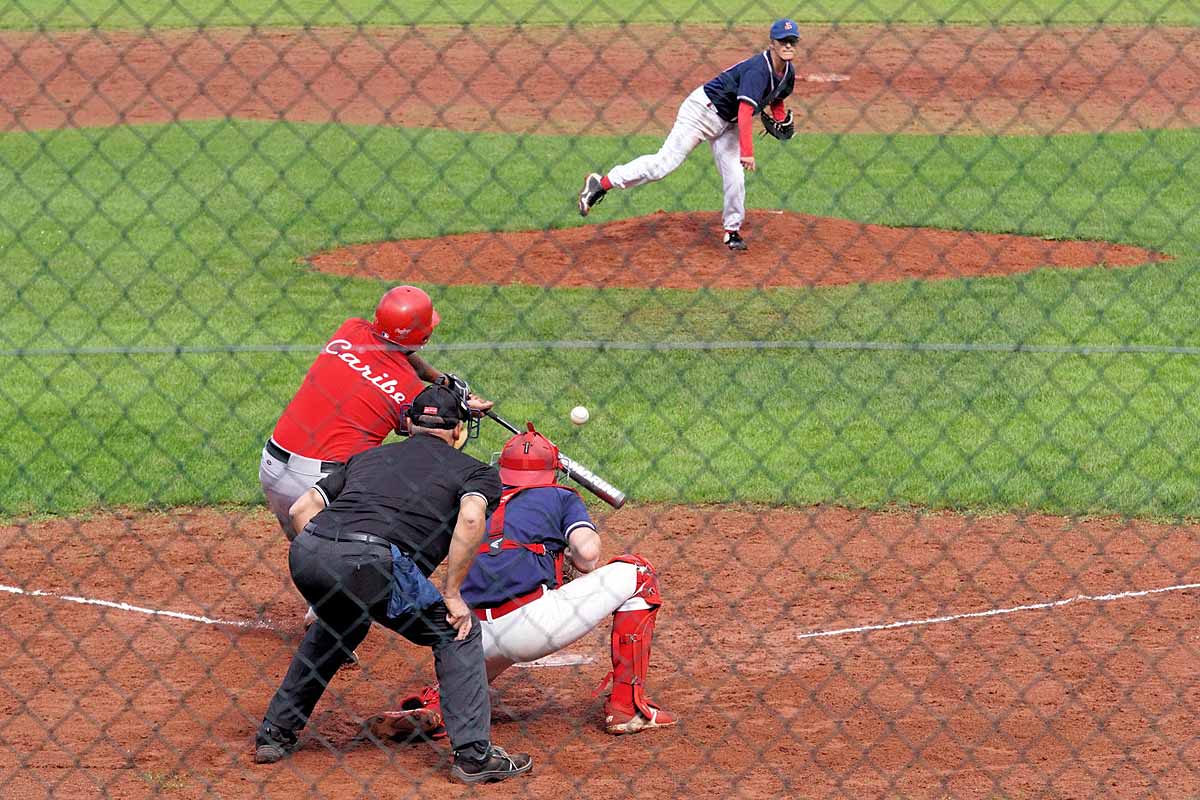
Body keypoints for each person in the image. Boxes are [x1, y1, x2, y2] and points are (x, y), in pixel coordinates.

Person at [252, 382, 533, 784]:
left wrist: (334, 557)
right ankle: (474, 756)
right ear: (459, 431)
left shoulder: (368, 457)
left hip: (308, 553)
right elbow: (471, 521)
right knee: (457, 633)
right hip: (374, 561)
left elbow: (302, 508)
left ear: (409, 425)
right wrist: (451, 594)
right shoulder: (475, 472)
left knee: (341, 619)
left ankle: (275, 734)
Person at [368, 423, 675, 742]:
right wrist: (563, 552)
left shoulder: (473, 498)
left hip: (468, 633)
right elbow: (588, 555)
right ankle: (627, 708)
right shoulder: (559, 496)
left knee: (494, 631)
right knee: (639, 573)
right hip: (533, 626)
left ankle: (439, 705)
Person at [577, 18, 800, 251]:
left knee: (735, 177)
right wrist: (748, 152)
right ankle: (601, 183)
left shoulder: (787, 72)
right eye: (783, 41)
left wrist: (781, 117)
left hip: (729, 124)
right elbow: (745, 112)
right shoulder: (758, 70)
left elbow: (777, 98)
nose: (788, 45)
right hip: (702, 112)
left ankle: (732, 231)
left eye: (792, 41)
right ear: (771, 43)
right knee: (661, 166)